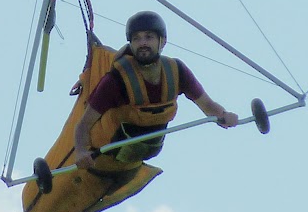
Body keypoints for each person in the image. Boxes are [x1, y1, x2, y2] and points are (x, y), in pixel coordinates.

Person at [71, 11, 238, 172]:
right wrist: (81, 151)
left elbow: (207, 105)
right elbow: (83, 125)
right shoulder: (116, 80)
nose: (142, 43)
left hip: (139, 153)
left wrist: (223, 115)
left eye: (149, 37)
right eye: (136, 39)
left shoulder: (176, 71)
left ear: (162, 41)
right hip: (103, 154)